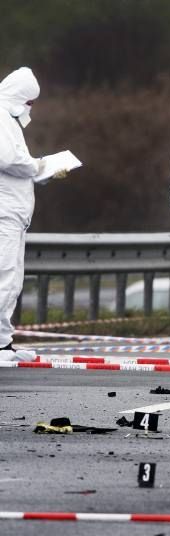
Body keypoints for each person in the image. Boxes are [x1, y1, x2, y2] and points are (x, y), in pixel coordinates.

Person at [0, 67, 68, 363]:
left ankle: (3, 343)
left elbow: (17, 166)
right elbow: (9, 159)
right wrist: (39, 165)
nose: (31, 109)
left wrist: (45, 173)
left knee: (11, 280)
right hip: (4, 213)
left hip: (14, 214)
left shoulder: (9, 120)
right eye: (30, 102)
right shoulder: (1, 117)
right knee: (4, 278)